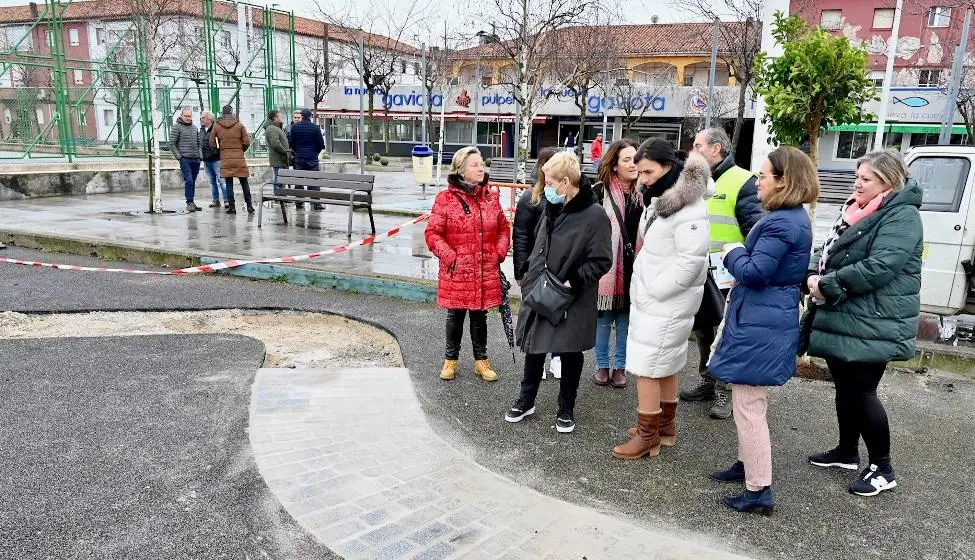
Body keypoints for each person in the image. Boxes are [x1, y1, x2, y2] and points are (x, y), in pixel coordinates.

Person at [706, 146, 818, 515]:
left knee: (749, 406)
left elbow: (754, 272)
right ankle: (747, 465)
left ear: (784, 181)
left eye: (764, 176)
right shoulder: (790, 218)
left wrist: (731, 251)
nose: (757, 183)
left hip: (762, 320)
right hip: (765, 316)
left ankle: (759, 489)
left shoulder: (782, 222)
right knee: (747, 402)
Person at [805, 149, 922, 497]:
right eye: (857, 176)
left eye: (865, 178)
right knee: (845, 388)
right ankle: (845, 451)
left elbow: (882, 265)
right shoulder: (856, 211)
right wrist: (812, 273)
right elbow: (829, 249)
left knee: (862, 392)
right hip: (847, 315)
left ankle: (882, 468)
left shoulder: (901, 216)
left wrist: (825, 285)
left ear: (887, 182)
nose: (856, 183)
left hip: (876, 319)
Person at [612, 147, 710, 459]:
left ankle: (647, 437)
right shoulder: (664, 200)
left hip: (666, 302)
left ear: (669, 167)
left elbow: (691, 262)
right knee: (664, 365)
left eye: (649, 172)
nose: (643, 178)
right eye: (639, 172)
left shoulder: (688, 208)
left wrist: (655, 289)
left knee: (647, 368)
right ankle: (663, 428)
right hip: (659, 301)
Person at [505, 152, 613, 433]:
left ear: (566, 182)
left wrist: (572, 282)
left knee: (569, 350)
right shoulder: (552, 206)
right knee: (535, 346)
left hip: (571, 295)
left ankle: (566, 409)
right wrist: (529, 274)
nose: (546, 187)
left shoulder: (595, 215)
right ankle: (526, 400)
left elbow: (602, 260)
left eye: (550, 181)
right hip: (542, 290)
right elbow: (538, 242)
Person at [682, 127, 765, 419]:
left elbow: (756, 231)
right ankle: (708, 379)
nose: (693, 151)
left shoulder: (743, 181)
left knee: (725, 335)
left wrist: (745, 267)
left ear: (716, 149)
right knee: (704, 330)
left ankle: (724, 389)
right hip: (701, 272)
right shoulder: (695, 181)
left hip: (729, 275)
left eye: (698, 145)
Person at [425, 146, 511, 382]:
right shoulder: (445, 199)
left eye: (481, 163)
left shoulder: (491, 198)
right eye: (475, 164)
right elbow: (432, 233)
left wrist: (499, 252)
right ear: (461, 171)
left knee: (479, 316)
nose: (481, 167)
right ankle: (450, 360)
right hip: (457, 272)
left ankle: (481, 361)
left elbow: (504, 228)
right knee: (455, 316)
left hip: (484, 269)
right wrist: (450, 256)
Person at [591, 138, 641, 388]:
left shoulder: (644, 193)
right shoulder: (600, 191)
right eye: (627, 160)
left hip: (635, 265)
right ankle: (602, 366)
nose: (633, 164)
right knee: (603, 318)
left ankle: (620, 367)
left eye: (636, 159)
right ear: (614, 166)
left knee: (625, 320)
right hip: (605, 266)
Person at [513, 147, 563, 379]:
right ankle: (536, 359)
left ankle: (556, 357)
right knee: (534, 315)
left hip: (557, 270)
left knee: (557, 316)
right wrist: (521, 269)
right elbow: (521, 236)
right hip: (534, 270)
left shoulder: (566, 198)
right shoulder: (529, 198)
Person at [209, 105, 253, 215]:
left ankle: (232, 207)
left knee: (229, 183)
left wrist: (219, 150)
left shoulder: (217, 126)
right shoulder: (239, 125)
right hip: (239, 157)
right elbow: (247, 142)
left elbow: (211, 142)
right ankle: (250, 206)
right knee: (244, 182)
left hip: (225, 157)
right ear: (232, 112)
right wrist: (241, 150)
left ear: (222, 113)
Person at [288, 108, 326, 210]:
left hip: (299, 157)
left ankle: (299, 203)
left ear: (302, 115)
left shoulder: (295, 127)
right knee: (314, 180)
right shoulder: (315, 128)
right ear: (310, 116)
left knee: (299, 180)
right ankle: (316, 203)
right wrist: (315, 152)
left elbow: (291, 143)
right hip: (312, 158)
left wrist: (297, 151)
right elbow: (321, 144)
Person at [169, 107, 203, 213]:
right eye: (186, 116)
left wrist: (200, 156)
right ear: (181, 115)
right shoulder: (176, 127)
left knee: (192, 181)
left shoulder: (194, 128)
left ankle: (192, 202)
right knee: (188, 180)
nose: (188, 118)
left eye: (189, 116)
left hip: (195, 159)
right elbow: (171, 143)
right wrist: (179, 157)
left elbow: (199, 143)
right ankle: (189, 203)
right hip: (185, 159)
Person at [199, 111, 228, 209]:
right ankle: (216, 200)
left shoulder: (217, 128)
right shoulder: (202, 130)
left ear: (209, 119)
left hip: (216, 159)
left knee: (222, 180)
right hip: (206, 160)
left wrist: (217, 152)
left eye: (203, 118)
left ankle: (227, 201)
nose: (201, 119)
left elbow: (222, 142)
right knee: (212, 182)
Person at [265, 110, 290, 186]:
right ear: (275, 118)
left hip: (280, 160)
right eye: (280, 116)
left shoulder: (276, 128)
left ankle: (280, 195)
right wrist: (285, 152)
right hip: (278, 160)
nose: (281, 118)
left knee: (280, 180)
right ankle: (279, 196)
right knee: (279, 181)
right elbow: (275, 144)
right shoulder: (272, 128)